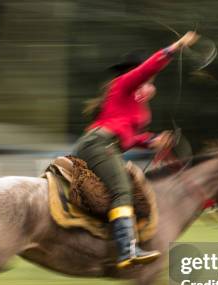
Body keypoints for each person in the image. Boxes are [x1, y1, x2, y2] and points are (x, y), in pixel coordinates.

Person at [72, 31, 200, 269]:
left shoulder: (134, 105)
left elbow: (130, 137)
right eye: (148, 80)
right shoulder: (124, 84)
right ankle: (126, 251)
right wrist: (176, 47)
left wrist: (153, 141)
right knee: (122, 190)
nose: (150, 85)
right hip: (101, 145)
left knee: (124, 188)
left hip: (104, 144)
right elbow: (147, 69)